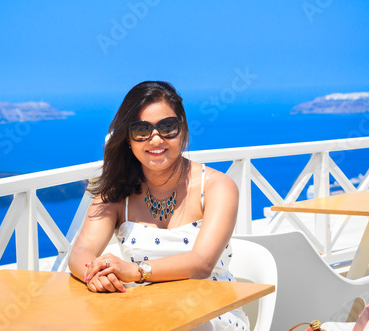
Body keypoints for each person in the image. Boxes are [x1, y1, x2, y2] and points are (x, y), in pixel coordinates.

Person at [69, 81, 249, 330]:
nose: (155, 139)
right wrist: (96, 274)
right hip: (144, 315)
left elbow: (202, 263)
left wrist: (134, 271)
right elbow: (80, 252)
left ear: (182, 130)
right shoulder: (118, 194)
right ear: (128, 139)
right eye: (141, 130)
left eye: (167, 127)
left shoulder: (217, 187)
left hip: (210, 314)